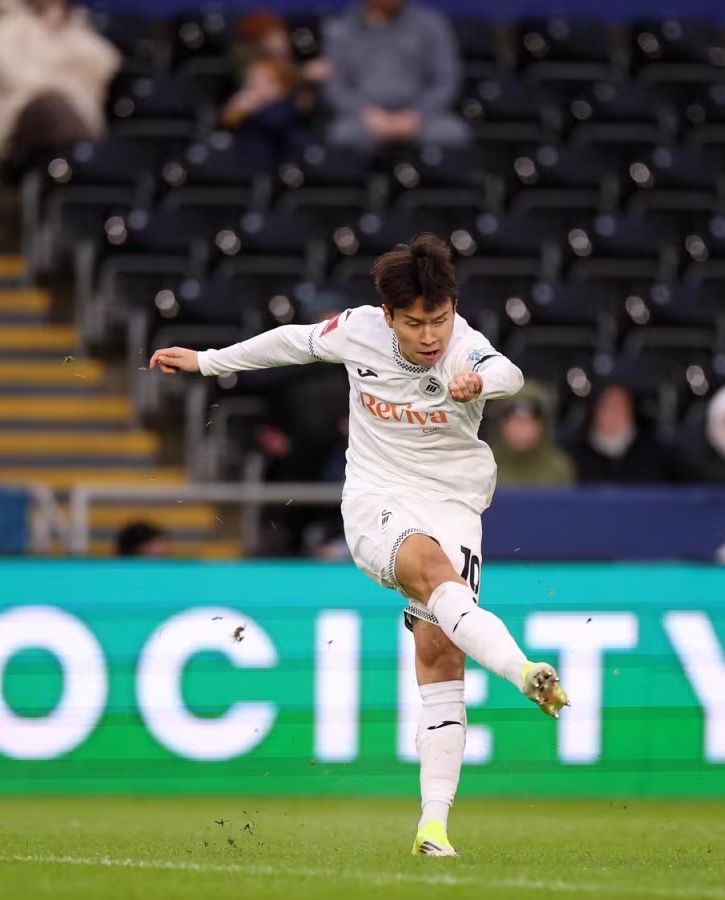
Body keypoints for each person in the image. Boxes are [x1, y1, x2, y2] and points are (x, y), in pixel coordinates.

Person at [148, 233, 566, 858]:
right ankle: (524, 671)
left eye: (439, 319)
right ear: (389, 315)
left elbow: (509, 372)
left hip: (454, 504)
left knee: (442, 654)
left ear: (453, 308)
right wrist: (209, 362)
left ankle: (433, 827)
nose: (430, 336)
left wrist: (478, 382)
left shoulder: (466, 347)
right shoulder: (357, 330)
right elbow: (291, 341)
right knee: (432, 572)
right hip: (378, 498)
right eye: (415, 323)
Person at [0, 0, 120, 167]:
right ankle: (90, 163)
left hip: (78, 113)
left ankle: (88, 163)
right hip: (22, 114)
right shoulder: (8, 26)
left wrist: (63, 33)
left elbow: (107, 63)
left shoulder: (75, 28)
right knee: (52, 105)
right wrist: (65, 80)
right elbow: (14, 75)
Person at [321, 0, 469, 153]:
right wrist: (365, 113)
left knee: (451, 133)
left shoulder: (431, 24)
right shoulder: (342, 28)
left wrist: (418, 115)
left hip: (420, 116)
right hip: (365, 119)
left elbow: (445, 82)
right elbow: (335, 86)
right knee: (342, 135)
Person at [222, 11, 328, 169]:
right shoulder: (250, 62)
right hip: (256, 130)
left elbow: (304, 103)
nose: (279, 42)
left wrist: (299, 81)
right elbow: (231, 115)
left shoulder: (293, 68)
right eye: (273, 36)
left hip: (290, 128)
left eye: (281, 37)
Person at [569, 382, 674, 484]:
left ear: (631, 411)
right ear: (596, 410)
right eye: (608, 406)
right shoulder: (574, 458)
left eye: (621, 406)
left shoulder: (655, 455)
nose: (614, 413)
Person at [490, 386, 576, 487]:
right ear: (502, 425)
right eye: (516, 421)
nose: (521, 429)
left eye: (528, 421)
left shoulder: (559, 467)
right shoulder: (486, 464)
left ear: (542, 426)